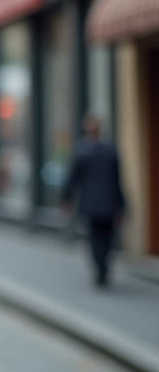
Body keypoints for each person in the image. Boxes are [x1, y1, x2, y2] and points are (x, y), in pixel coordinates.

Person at [62, 113, 126, 286]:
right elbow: (117, 180)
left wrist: (66, 199)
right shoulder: (110, 150)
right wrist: (122, 206)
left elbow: (73, 178)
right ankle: (103, 266)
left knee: (95, 238)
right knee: (107, 237)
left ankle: (100, 268)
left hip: (91, 204)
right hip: (110, 203)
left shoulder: (82, 151)